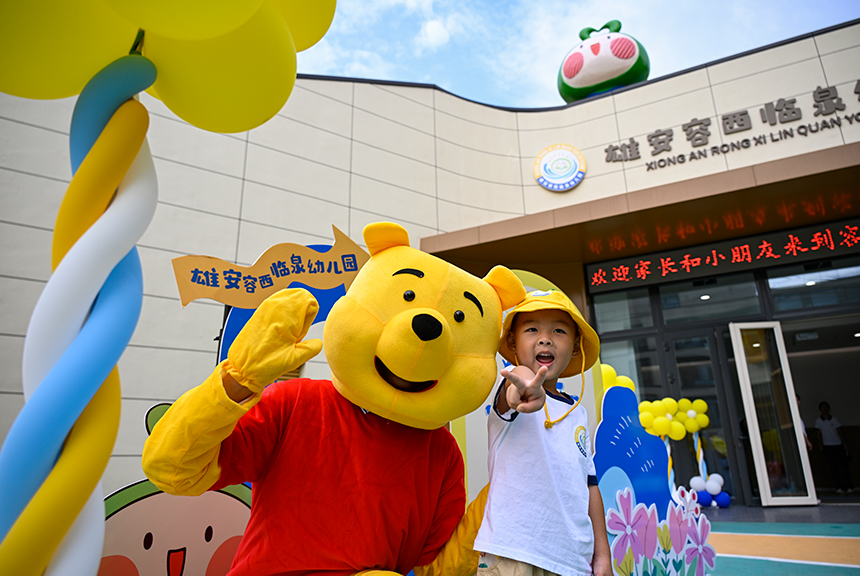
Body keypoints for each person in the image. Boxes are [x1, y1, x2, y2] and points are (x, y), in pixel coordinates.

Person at [474, 290, 612, 576]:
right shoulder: (511, 387)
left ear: (576, 346)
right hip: (513, 553)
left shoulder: (578, 413)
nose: (545, 338)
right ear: (513, 341)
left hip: (572, 560)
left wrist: (602, 555)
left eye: (559, 330)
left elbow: (590, 485)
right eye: (532, 329)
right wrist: (525, 390)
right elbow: (518, 385)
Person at [815, 401, 853, 494]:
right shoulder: (819, 421)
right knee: (833, 467)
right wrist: (821, 446)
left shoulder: (834, 420)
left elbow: (840, 432)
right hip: (827, 446)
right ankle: (839, 486)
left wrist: (845, 445)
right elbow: (819, 434)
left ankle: (848, 486)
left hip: (838, 444)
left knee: (843, 466)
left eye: (826, 407)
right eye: (823, 407)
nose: (825, 409)